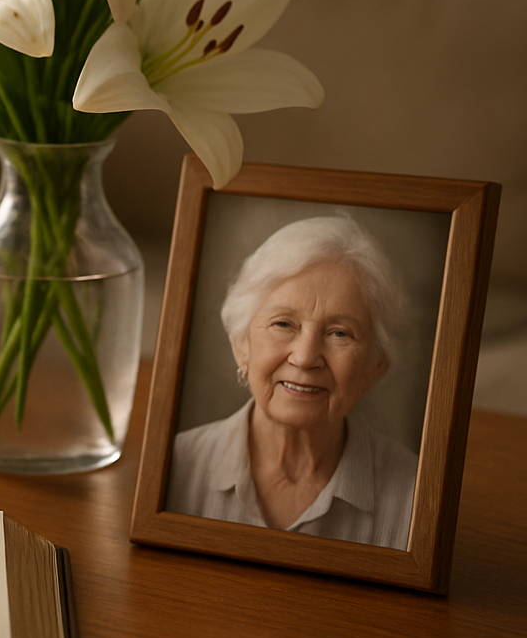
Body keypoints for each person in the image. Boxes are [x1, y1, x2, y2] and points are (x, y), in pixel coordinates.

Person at [166, 214, 419, 549]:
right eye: (283, 324)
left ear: (376, 367)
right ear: (241, 345)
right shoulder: (173, 467)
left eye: (339, 333)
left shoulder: (417, 496)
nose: (304, 357)